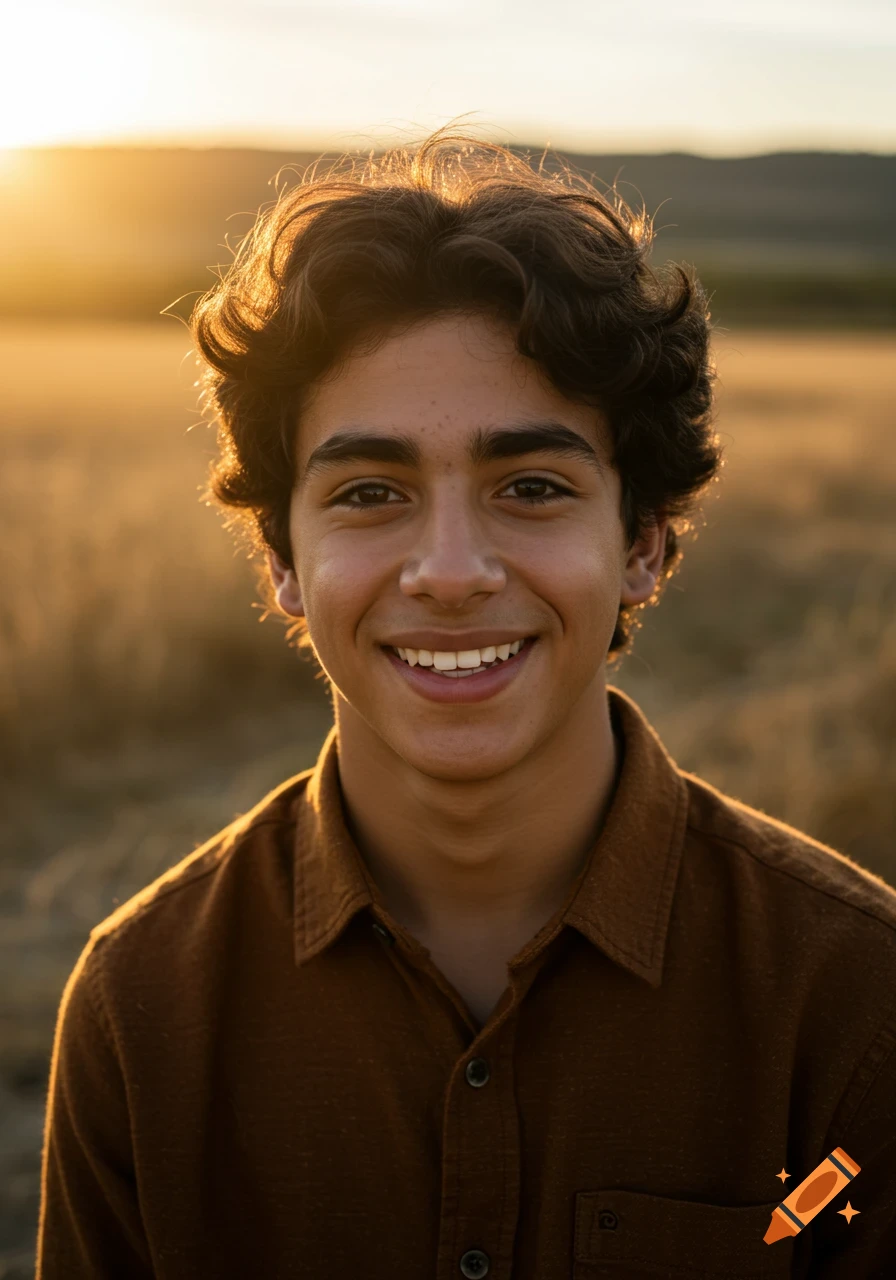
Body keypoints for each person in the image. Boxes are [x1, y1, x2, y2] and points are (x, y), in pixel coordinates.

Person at [37, 127, 896, 1278]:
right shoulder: (139, 1007)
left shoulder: (851, 1001)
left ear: (642, 542)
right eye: (369, 491)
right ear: (282, 561)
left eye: (531, 486)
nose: (449, 569)